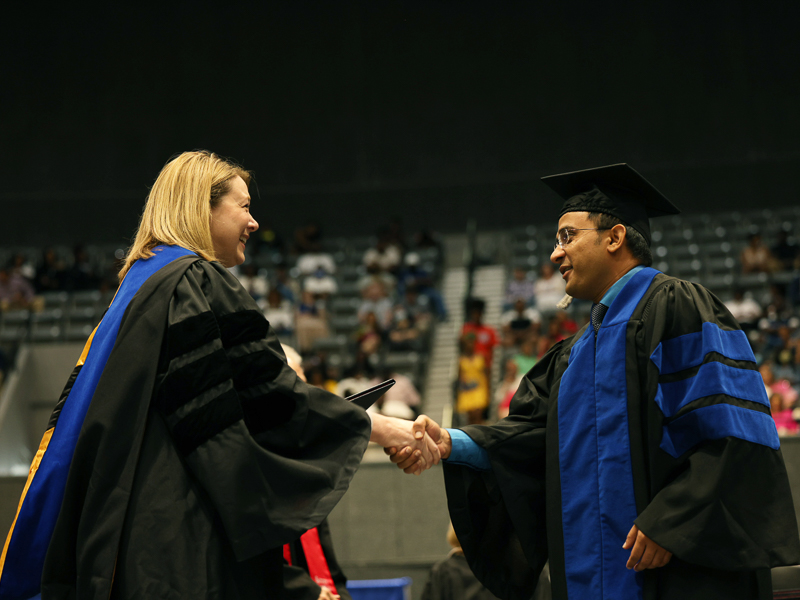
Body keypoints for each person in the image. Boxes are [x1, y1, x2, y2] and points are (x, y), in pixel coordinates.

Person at [0, 150, 439, 600]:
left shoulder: (135, 291)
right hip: (178, 548)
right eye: (244, 206)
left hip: (126, 543)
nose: (254, 223)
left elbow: (218, 408)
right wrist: (388, 429)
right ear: (199, 206)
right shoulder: (193, 280)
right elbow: (267, 400)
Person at [389, 164, 800, 600]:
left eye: (567, 236)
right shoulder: (573, 354)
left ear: (614, 237)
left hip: (677, 574)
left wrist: (671, 521)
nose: (554, 254)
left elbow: (733, 428)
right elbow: (529, 437)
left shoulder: (678, 308)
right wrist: (451, 442)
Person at [280, 344, 352, 600]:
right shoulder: (253, 468)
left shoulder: (305, 471)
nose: (307, 394)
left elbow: (330, 570)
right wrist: (308, 592)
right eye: (297, 382)